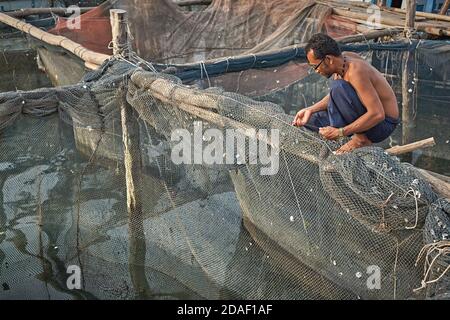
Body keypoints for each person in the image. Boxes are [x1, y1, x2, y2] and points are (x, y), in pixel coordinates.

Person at [292, 33, 400, 154]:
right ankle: (341, 135)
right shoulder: (344, 59)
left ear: (328, 59)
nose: (316, 71)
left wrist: (340, 132)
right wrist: (310, 109)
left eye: (315, 66)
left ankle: (361, 139)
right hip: (367, 116)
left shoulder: (356, 71)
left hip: (382, 125)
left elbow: (377, 114)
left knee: (338, 86)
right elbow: (337, 96)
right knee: (312, 121)